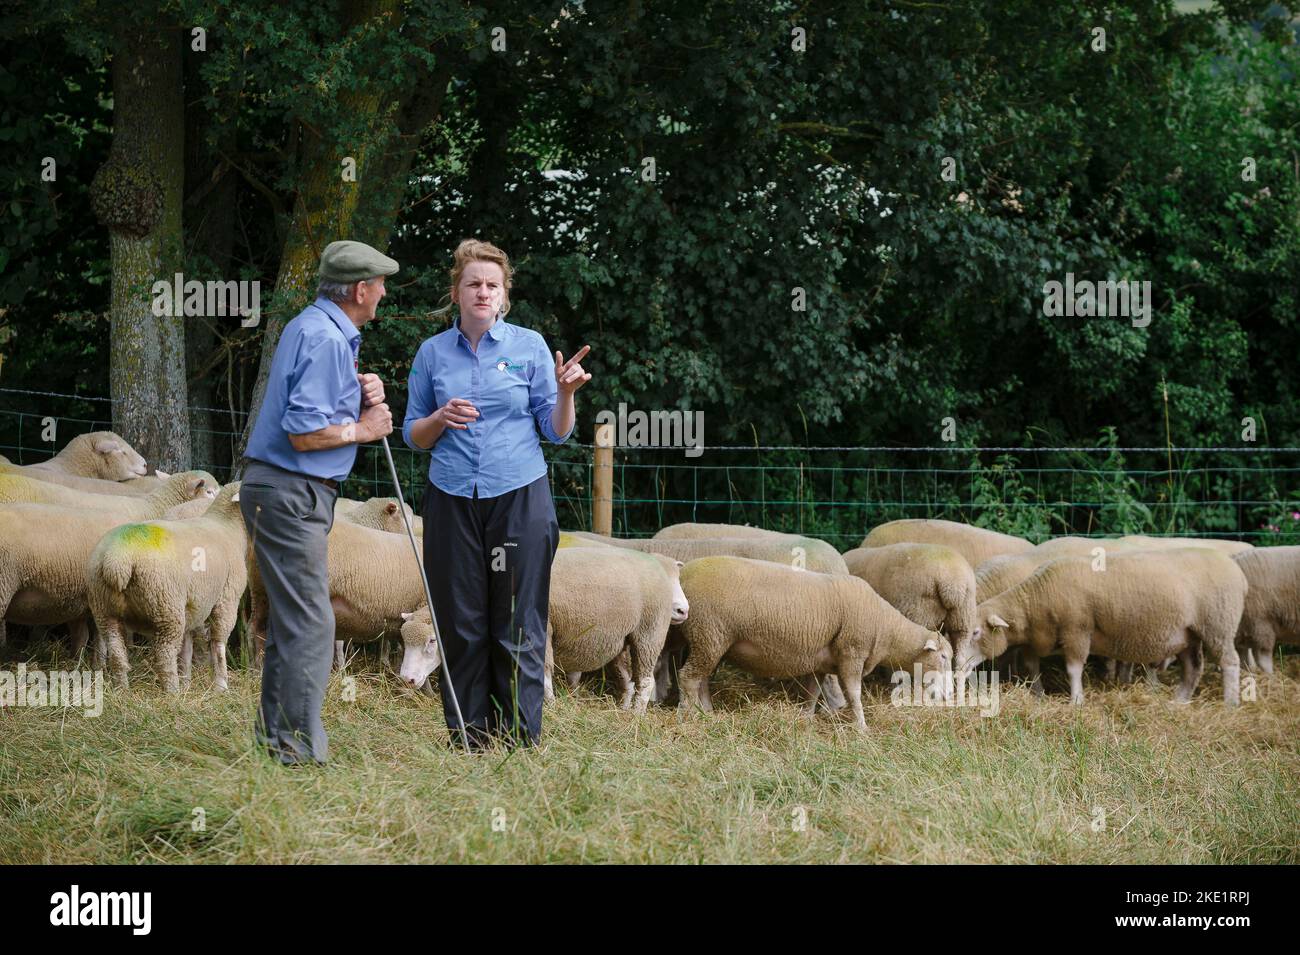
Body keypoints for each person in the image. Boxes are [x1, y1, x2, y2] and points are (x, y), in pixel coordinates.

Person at [403, 239, 591, 750]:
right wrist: (439, 419)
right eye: (473, 284)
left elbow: (555, 432)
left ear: (504, 295)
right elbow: (412, 435)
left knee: (516, 625)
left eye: (492, 284)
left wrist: (567, 393)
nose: (482, 292)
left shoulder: (529, 347)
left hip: (519, 499)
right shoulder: (432, 354)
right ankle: (469, 740)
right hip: (451, 499)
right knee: (462, 625)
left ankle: (519, 743)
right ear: (457, 292)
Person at [240, 240, 396, 765]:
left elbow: (306, 406)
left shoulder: (314, 328)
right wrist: (366, 428)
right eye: (379, 284)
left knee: (295, 619)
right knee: (312, 622)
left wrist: (354, 392)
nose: (383, 293)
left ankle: (277, 742)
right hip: (291, 491)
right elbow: (305, 433)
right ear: (359, 290)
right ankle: (295, 751)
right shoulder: (327, 339)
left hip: (282, 492)